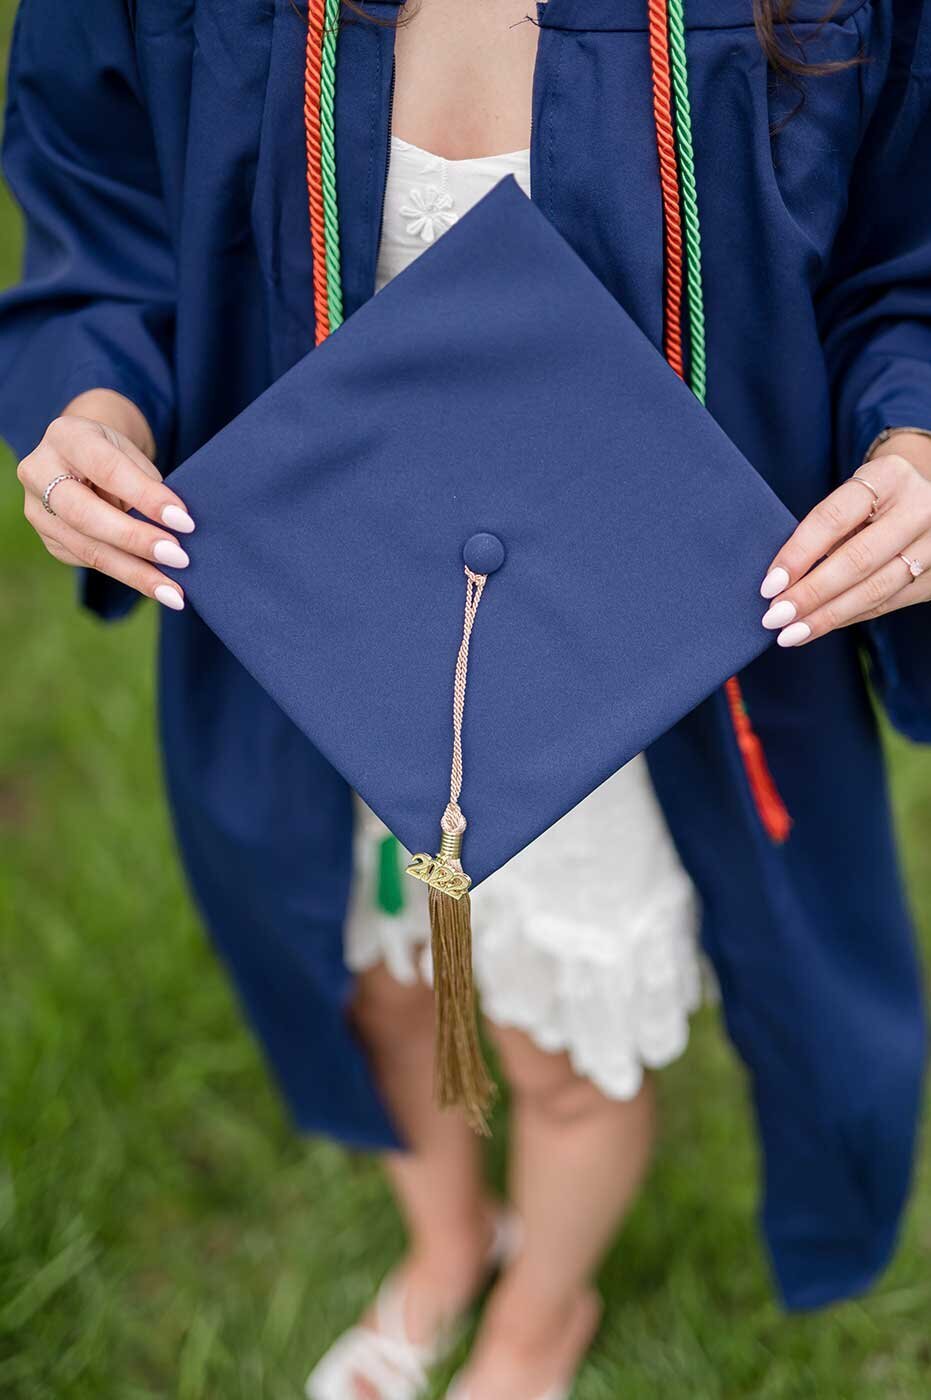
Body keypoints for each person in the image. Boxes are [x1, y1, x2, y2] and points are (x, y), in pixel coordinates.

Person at [2, 2, 930, 1397]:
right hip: (322, 613)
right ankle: (445, 1244)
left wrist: (915, 433)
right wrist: (94, 404)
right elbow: (105, 203)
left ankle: (538, 1313)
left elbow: (902, 254)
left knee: (563, 1047)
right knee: (371, 975)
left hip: (634, 645)